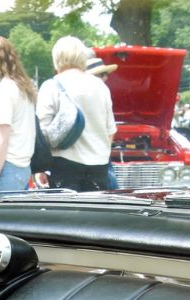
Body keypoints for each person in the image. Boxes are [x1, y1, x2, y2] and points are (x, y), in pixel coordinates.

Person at [36, 37, 116, 192]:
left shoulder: (51, 86)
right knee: (95, 213)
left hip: (63, 164)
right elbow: (111, 131)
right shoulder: (100, 86)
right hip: (98, 165)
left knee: (65, 215)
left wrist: (42, 168)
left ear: (56, 58)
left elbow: (42, 133)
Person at [0, 36, 37, 193]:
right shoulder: (22, 88)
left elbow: (3, 139)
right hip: (22, 167)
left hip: (7, 168)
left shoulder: (4, 90)